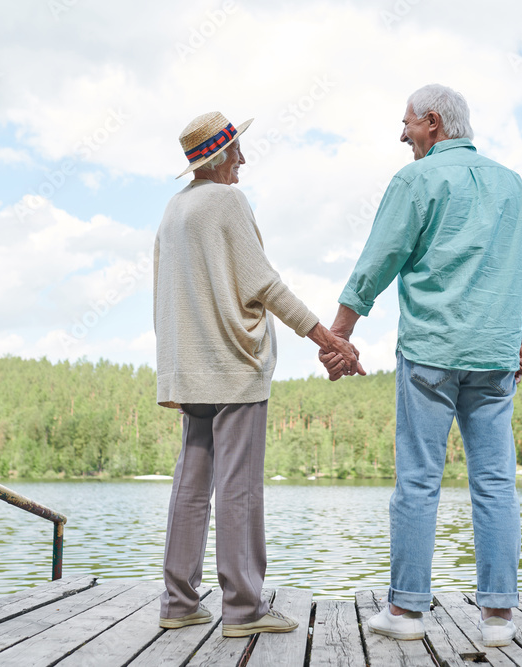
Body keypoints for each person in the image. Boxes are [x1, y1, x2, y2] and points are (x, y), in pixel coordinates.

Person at [320, 84, 522, 647]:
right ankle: (498, 619)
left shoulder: (416, 181)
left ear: (434, 123)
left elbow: (379, 258)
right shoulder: (511, 184)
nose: (402, 135)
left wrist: (339, 332)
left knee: (418, 481)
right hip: (494, 356)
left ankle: (407, 613)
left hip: (430, 354)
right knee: (495, 483)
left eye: (407, 124)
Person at [154, 111, 361, 637]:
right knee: (239, 489)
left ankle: (178, 603)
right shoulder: (226, 202)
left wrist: (170, 376)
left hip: (190, 370)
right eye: (238, 150)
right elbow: (265, 284)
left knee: (190, 485)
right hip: (234, 368)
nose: (243, 159)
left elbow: (164, 299)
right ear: (220, 157)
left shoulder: (173, 212)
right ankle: (244, 610)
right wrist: (327, 338)